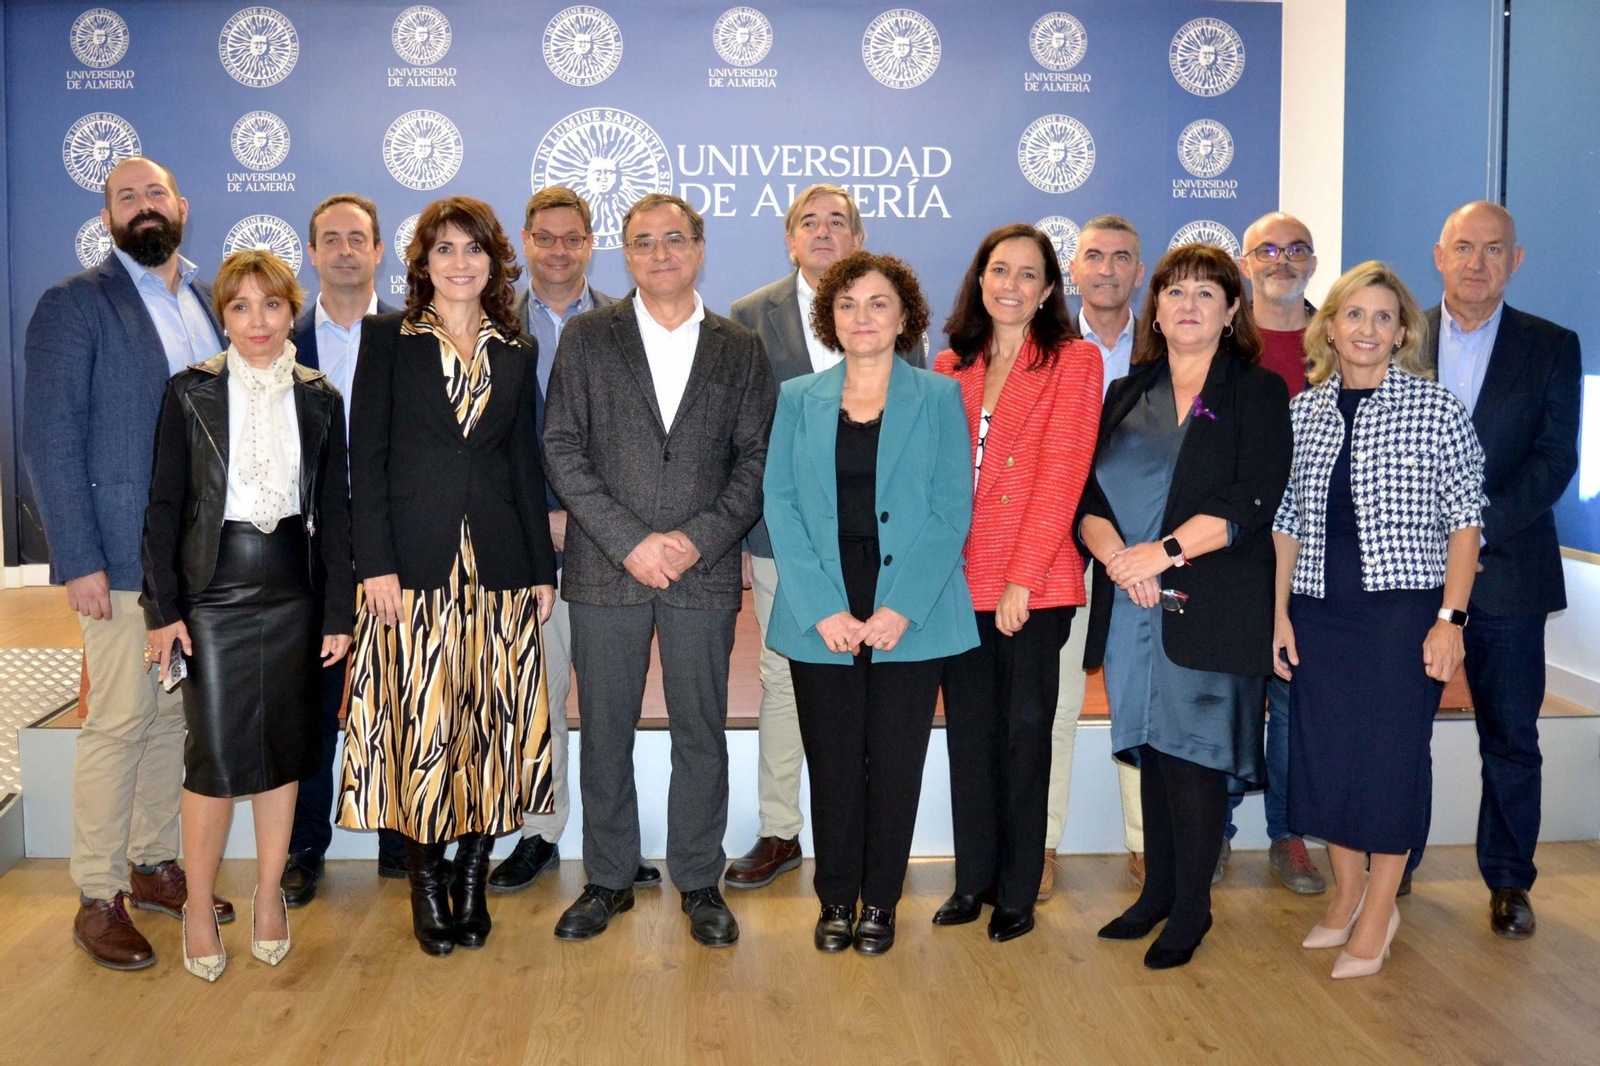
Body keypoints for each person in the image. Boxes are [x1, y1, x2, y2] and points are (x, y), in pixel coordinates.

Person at [542, 194, 775, 948]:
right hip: (606, 567)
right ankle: (608, 879)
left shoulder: (739, 347)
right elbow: (563, 450)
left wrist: (696, 541)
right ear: (626, 255)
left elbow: (755, 461)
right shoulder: (586, 337)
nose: (661, 253)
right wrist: (629, 541)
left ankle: (699, 879)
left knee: (700, 732)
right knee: (603, 729)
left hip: (700, 573)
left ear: (699, 248)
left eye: (674, 239)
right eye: (643, 242)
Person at [22, 156, 235, 971]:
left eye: (156, 194)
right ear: (107, 216)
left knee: (172, 719)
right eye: (126, 198)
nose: (144, 207)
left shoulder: (213, 300)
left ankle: (152, 865)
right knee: (116, 723)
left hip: (201, 561)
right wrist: (75, 556)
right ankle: (97, 893)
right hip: (114, 558)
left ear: (183, 205)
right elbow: (49, 440)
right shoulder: (74, 307)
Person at [338, 196, 558, 958]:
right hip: (415, 574)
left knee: (490, 728)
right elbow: (366, 462)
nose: (460, 263)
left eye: (473, 249)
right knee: (426, 730)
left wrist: (540, 566)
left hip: (498, 572)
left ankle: (472, 876)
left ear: (495, 261)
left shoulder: (517, 348)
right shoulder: (385, 339)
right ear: (422, 264)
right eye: (443, 250)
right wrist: (378, 567)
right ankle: (425, 884)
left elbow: (522, 464)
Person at [140, 249, 354, 980]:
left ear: (291, 310)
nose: (257, 321)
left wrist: (337, 611)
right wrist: (163, 611)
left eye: (271, 304)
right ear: (222, 315)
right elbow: (164, 508)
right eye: (240, 306)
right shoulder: (189, 391)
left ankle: (269, 895)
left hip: (295, 591)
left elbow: (335, 513)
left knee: (284, 755)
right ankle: (199, 905)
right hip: (213, 595)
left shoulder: (322, 396)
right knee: (215, 761)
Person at [1078, 243, 1291, 969]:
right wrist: (1117, 560)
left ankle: (1192, 910)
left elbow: (1251, 498)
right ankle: (1157, 893)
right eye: (1175, 292)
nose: (1189, 304)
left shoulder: (1255, 392)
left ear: (1234, 311)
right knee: (1153, 754)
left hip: (1208, 602)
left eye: (1208, 292)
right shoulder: (1126, 392)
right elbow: (1090, 499)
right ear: (1156, 309)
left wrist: (1161, 555)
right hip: (1130, 602)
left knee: (1193, 760)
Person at [1275, 261, 1485, 979]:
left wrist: (1450, 619)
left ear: (1403, 333)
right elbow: (1286, 521)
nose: (1367, 329)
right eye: (1353, 315)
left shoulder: (1437, 410)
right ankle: (1347, 892)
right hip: (1318, 606)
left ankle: (1380, 909)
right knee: (1327, 753)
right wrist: (1278, 614)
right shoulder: (1302, 412)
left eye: (1383, 318)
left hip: (1403, 612)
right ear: (1329, 326)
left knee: (1390, 760)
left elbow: (1465, 521)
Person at [764, 251, 976, 955]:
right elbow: (781, 506)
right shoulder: (798, 397)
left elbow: (951, 511)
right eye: (848, 303)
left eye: (878, 303)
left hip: (909, 606)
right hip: (820, 601)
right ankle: (835, 900)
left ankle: (880, 901)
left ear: (904, 315)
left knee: (894, 762)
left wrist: (900, 609)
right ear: (830, 318)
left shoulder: (939, 397)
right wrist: (822, 604)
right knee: (831, 762)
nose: (863, 316)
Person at [1406, 202, 1582, 939]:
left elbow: (1555, 458)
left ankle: (1509, 881)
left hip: (1509, 574)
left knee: (1511, 736)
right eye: (1464, 248)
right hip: (1409, 570)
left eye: (1494, 250)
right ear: (1439, 255)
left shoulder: (1551, 345)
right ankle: (1396, 864)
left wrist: (1472, 532)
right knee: (1401, 729)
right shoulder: (1397, 332)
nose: (1477, 263)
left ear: (1516, 260)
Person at [488, 187, 664, 896]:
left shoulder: (633, 323)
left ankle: (614, 848)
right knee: (535, 698)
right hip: (521, 546)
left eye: (573, 238)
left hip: (611, 545)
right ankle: (540, 833)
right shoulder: (490, 324)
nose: (559, 250)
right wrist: (536, 524)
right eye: (545, 237)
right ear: (526, 243)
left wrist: (597, 524)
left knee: (610, 705)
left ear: (592, 245)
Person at [932, 224, 1101, 941]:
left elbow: (1062, 478)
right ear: (980, 279)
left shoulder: (1074, 360)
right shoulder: (948, 365)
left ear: (1048, 290)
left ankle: (1017, 894)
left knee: (1025, 738)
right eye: (999, 270)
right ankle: (973, 881)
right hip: (956, 585)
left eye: (1028, 274)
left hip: (1033, 587)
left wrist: (1020, 583)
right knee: (969, 738)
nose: (1011, 284)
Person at [727, 184, 876, 891]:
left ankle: (866, 826)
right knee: (783, 681)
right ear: (789, 239)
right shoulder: (749, 318)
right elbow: (741, 437)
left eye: (837, 222)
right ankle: (781, 830)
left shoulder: (891, 314)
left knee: (871, 682)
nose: (823, 233)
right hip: (779, 536)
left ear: (857, 238)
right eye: (808, 223)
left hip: (872, 538)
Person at [281, 193, 405, 905]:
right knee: (311, 702)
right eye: (331, 239)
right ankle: (304, 847)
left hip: (394, 542)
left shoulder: (411, 337)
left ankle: (396, 838)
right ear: (313, 252)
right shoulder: (281, 341)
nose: (346, 250)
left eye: (358, 237)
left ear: (379, 249)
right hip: (307, 551)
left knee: (393, 694)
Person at [1052, 215, 1147, 895]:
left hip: (1144, 550)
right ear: (1073, 270)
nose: (1108, 269)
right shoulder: (1045, 347)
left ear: (1139, 272)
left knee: (1140, 697)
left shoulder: (1172, 343)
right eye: (1095, 257)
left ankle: (1148, 843)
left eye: (1122, 258)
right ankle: (1043, 843)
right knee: (1051, 701)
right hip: (1059, 542)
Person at [1234, 210, 1327, 896]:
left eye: (1296, 249)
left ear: (1313, 263)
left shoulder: (1344, 337)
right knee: (1231, 695)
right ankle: (1215, 829)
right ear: (1245, 262)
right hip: (1231, 551)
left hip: (1319, 556)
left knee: (1294, 701)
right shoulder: (1220, 338)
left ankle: (1289, 834)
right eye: (1267, 249)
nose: (1281, 259)